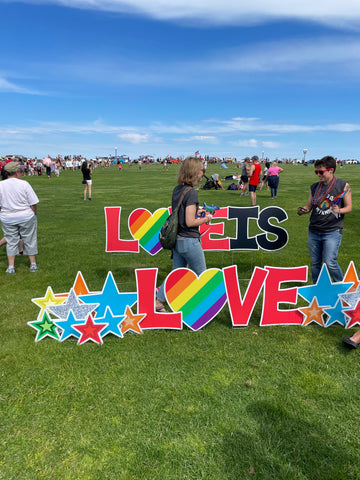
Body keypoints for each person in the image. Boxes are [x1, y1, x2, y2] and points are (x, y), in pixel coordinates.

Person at [155, 156, 212, 312]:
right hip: (189, 241)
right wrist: (206, 218)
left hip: (177, 241)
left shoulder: (178, 189)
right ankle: (200, 310)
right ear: (194, 171)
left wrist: (196, 211)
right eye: (202, 170)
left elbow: (181, 212)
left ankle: (159, 301)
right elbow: (189, 222)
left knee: (176, 274)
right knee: (203, 276)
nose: (203, 174)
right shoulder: (192, 193)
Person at [297, 155, 352, 284]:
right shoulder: (314, 187)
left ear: (331, 170)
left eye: (320, 172)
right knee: (315, 263)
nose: (318, 174)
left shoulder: (343, 185)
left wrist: (339, 210)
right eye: (316, 171)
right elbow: (309, 206)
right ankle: (317, 289)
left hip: (332, 231)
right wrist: (303, 210)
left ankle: (342, 287)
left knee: (330, 261)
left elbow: (349, 207)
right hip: (314, 230)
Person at [0, 162, 39, 274]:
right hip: (25, 216)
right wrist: (34, 212)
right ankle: (33, 264)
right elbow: (33, 202)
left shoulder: (1, 185)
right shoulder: (24, 184)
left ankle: (11, 266)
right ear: (17, 172)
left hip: (7, 217)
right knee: (30, 239)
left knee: (11, 241)